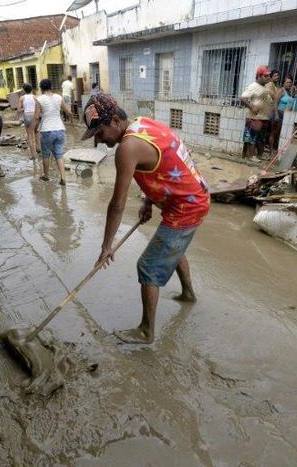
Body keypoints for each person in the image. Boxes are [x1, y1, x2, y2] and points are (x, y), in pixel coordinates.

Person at [86, 94, 210, 344]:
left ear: (116, 121)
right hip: (194, 197)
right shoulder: (143, 124)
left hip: (186, 207)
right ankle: (188, 294)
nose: (98, 141)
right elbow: (163, 163)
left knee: (149, 265)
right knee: (172, 248)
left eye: (99, 132)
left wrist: (106, 247)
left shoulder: (127, 148)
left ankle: (146, 331)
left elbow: (117, 204)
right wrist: (147, 200)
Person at [36, 78, 73, 185]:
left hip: (47, 130)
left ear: (41, 88)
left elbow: (36, 116)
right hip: (60, 129)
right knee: (59, 154)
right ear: (51, 87)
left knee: (46, 154)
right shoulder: (59, 97)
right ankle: (63, 178)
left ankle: (46, 176)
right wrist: (71, 119)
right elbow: (69, 112)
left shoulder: (39, 99)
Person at [240, 65, 274, 162]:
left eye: (268, 76)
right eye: (265, 76)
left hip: (264, 117)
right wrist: (251, 107)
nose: (268, 77)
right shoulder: (252, 86)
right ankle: (251, 156)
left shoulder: (266, 87)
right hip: (254, 117)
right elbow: (242, 98)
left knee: (261, 138)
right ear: (259, 76)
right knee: (252, 138)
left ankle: (259, 154)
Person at [18, 83, 38, 160]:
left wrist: (25, 108)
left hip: (27, 116)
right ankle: (38, 148)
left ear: (24, 90)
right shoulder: (35, 97)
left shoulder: (22, 98)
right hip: (35, 116)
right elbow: (38, 107)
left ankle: (33, 155)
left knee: (29, 135)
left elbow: (19, 110)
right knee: (37, 132)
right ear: (31, 89)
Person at [273, 76, 294, 146]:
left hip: (286, 115)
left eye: (290, 82)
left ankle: (277, 150)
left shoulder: (290, 92)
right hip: (279, 113)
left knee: (281, 133)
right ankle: (271, 151)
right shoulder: (281, 91)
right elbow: (275, 103)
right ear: (283, 83)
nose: (289, 84)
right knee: (274, 132)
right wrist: (276, 115)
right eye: (287, 82)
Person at [265, 70, 281, 152]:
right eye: (275, 75)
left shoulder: (276, 86)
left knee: (273, 130)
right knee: (270, 130)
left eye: (278, 75)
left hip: (274, 110)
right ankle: (267, 147)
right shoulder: (270, 85)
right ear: (271, 77)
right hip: (269, 110)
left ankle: (269, 147)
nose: (277, 77)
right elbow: (274, 97)